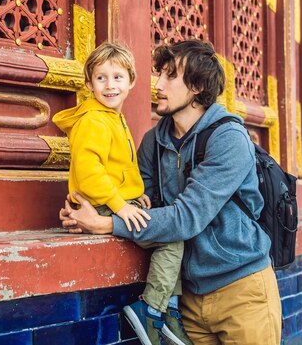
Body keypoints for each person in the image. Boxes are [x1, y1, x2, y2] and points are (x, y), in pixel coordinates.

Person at [60, 40, 282, 345]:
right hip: (187, 301)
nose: (158, 84)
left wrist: (107, 224)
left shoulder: (229, 138)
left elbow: (185, 219)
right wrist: (85, 208)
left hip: (242, 291)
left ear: (197, 87)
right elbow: (143, 208)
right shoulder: (154, 140)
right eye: (159, 74)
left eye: (170, 76)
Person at [52, 42, 193, 345]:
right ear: (88, 83)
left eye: (117, 77)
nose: (109, 85)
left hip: (112, 202)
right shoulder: (93, 120)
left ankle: (165, 312)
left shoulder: (113, 117)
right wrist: (121, 205)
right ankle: (153, 310)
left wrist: (135, 195)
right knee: (171, 237)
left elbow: (120, 167)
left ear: (131, 82)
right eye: (100, 78)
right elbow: (90, 174)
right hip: (102, 206)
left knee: (169, 231)